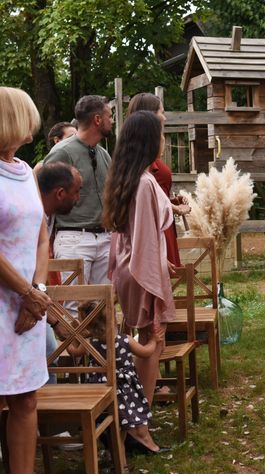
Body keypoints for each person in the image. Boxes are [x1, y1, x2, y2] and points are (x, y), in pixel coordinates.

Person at [103, 111, 175, 406]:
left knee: (149, 341)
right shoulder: (144, 183)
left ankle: (137, 412)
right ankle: (140, 419)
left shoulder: (127, 177)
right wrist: (154, 284)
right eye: (160, 135)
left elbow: (123, 235)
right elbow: (144, 238)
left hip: (130, 266)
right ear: (148, 141)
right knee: (152, 341)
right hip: (142, 272)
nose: (163, 140)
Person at [0, 86, 52, 474]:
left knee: (26, 400)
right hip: (8, 304)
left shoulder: (24, 172)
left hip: (27, 310)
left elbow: (41, 237)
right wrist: (27, 292)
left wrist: (39, 294)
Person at [68, 301, 169, 455]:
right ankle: (141, 438)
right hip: (126, 388)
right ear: (114, 319)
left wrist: (69, 338)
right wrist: (154, 340)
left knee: (114, 414)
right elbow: (146, 352)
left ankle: (117, 443)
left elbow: (73, 352)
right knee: (136, 410)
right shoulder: (125, 340)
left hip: (99, 390)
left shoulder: (90, 343)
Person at [43, 95, 113, 290]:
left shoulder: (103, 154)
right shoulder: (62, 153)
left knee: (104, 306)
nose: (112, 120)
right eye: (110, 115)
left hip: (105, 237)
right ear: (97, 120)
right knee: (74, 306)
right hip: (74, 238)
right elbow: (45, 200)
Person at [127, 92, 190, 267]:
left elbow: (152, 195)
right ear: (149, 115)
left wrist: (170, 201)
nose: (164, 116)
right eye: (161, 111)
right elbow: (141, 198)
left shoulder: (147, 152)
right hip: (152, 229)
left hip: (163, 224)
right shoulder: (140, 157)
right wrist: (174, 208)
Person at [36, 162, 83, 384]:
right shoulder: (33, 216)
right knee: (47, 353)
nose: (79, 198)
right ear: (60, 193)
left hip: (34, 298)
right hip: (20, 299)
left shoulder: (49, 215)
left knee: (48, 353)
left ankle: (45, 415)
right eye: (76, 192)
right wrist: (55, 322)